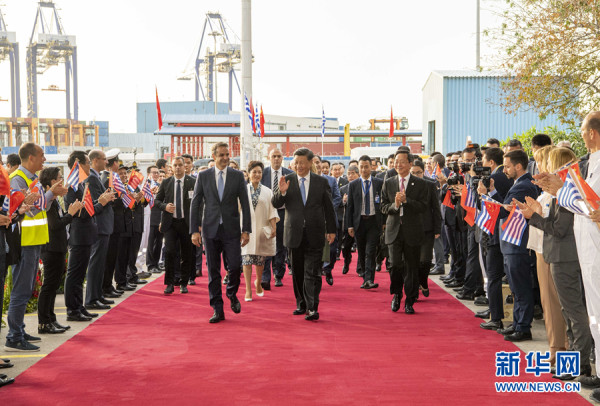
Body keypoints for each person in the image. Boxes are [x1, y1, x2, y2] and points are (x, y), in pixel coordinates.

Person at [521, 147, 592, 374]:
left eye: (549, 164)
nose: (546, 170)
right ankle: (572, 361)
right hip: (562, 255)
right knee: (568, 311)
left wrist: (535, 217)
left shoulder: (568, 190)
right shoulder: (564, 190)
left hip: (566, 256)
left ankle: (579, 365)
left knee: (574, 312)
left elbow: (559, 229)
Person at [5, 143, 67, 352]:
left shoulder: (32, 180)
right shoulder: (17, 179)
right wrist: (50, 195)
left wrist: (52, 195)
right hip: (24, 242)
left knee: (26, 289)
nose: (44, 160)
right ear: (30, 157)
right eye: (41, 156)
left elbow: (42, 205)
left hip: (34, 241)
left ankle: (19, 330)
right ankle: (14, 335)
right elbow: (27, 210)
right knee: (21, 291)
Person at [190, 142, 251, 323]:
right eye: (222, 155)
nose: (226, 158)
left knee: (234, 266)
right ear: (214, 156)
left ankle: (231, 293)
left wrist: (246, 229)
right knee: (213, 271)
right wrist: (194, 230)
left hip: (231, 230)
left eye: (227, 154)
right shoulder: (203, 176)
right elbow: (196, 203)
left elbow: (245, 204)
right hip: (210, 230)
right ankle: (217, 308)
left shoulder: (237, 176)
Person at [272, 147, 336, 321]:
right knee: (298, 271)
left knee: (312, 271)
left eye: (302, 162)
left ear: (310, 163)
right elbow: (276, 203)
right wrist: (282, 191)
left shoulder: (321, 182)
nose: (299, 166)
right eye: (296, 162)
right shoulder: (288, 180)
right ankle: (301, 303)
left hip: (315, 233)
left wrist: (331, 230)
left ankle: (313, 307)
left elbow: (329, 209)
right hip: (294, 233)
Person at [496, 149, 539, 342]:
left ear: (518, 166)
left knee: (521, 287)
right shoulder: (518, 183)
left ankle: (523, 326)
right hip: (512, 243)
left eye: (507, 166)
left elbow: (505, 211)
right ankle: (517, 322)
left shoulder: (523, 185)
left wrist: (491, 197)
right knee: (515, 286)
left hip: (518, 243)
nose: (504, 170)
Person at [380, 149, 428, 314]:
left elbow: (424, 206)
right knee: (394, 265)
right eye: (396, 161)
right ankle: (397, 293)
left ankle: (410, 299)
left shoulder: (421, 183)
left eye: (402, 161)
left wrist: (407, 201)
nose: (398, 164)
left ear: (410, 163)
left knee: (412, 267)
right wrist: (396, 205)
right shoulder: (389, 182)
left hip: (412, 230)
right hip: (394, 230)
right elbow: (383, 207)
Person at [38, 167, 84, 334]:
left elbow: (58, 220)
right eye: (59, 178)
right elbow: (55, 225)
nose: (63, 180)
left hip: (57, 247)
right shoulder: (47, 200)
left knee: (53, 285)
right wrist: (70, 214)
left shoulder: (54, 199)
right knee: (49, 286)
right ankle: (44, 322)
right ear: (52, 182)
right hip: (50, 248)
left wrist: (69, 212)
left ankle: (51, 319)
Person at [476, 147, 513, 329]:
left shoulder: (494, 179)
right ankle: (494, 312)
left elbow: (497, 206)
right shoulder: (509, 179)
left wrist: (484, 193)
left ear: (491, 162)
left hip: (495, 231)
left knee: (493, 276)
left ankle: (496, 316)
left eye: (483, 161)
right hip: (506, 233)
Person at [155, 157, 196, 295]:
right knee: (170, 252)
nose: (178, 168)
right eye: (175, 165)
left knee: (187, 253)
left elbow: (199, 203)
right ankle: (170, 283)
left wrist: (198, 224)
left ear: (185, 167)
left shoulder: (193, 182)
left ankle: (184, 282)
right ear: (171, 168)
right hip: (171, 223)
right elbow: (157, 200)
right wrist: (165, 206)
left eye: (180, 165)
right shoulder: (166, 182)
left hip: (186, 223)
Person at [242, 161, 279, 301]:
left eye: (259, 172)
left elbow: (272, 210)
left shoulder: (268, 191)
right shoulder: (243, 190)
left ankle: (258, 282)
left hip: (261, 230)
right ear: (249, 173)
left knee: (259, 260)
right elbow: (237, 210)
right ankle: (248, 289)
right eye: (254, 172)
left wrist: (274, 227)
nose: (257, 174)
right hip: (245, 229)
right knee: (246, 259)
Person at [85, 150, 117, 310]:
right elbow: (97, 201)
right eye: (104, 159)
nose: (106, 162)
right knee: (96, 263)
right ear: (96, 160)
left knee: (100, 263)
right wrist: (108, 198)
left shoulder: (95, 176)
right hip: (99, 225)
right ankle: (91, 298)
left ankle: (97, 295)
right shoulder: (91, 177)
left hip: (104, 225)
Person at [346, 155, 383, 289]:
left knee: (370, 251)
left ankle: (369, 279)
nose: (364, 169)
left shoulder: (379, 183)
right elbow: (350, 207)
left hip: (374, 221)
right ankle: (364, 274)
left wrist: (383, 222)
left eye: (366, 166)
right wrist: (349, 225)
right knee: (361, 251)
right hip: (359, 222)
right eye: (361, 167)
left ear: (371, 167)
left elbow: (382, 204)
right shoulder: (353, 185)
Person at [261, 148, 292, 289]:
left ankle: (278, 274)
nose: (276, 159)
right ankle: (265, 277)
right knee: (266, 245)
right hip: (266, 215)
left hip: (283, 213)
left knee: (280, 245)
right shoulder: (262, 174)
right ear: (269, 157)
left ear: (283, 158)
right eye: (274, 156)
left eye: (279, 156)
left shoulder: (290, 175)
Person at [409, 160, 441, 298]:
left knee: (425, 260)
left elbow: (436, 208)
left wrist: (437, 229)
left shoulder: (430, 184)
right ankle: (415, 288)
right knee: (413, 260)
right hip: (410, 228)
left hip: (427, 228)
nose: (416, 175)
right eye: (413, 173)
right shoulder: (406, 185)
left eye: (419, 173)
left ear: (424, 172)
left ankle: (423, 281)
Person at [312, 155, 341, 286]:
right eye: (313, 162)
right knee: (315, 248)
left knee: (332, 249)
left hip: (328, 219)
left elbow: (337, 198)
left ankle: (328, 270)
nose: (316, 165)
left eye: (318, 162)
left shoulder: (331, 180)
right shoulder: (306, 181)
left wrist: (326, 209)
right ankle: (316, 273)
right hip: (314, 221)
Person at [339, 165, 359, 274]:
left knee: (361, 247)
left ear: (358, 174)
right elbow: (338, 205)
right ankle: (347, 261)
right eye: (349, 174)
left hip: (359, 221)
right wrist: (343, 201)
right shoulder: (343, 189)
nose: (350, 176)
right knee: (345, 246)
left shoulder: (361, 186)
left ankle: (360, 268)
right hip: (347, 222)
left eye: (353, 173)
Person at [145, 165, 163, 273]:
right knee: (150, 243)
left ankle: (156, 263)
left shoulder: (161, 185)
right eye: (154, 172)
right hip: (150, 218)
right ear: (149, 174)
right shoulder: (146, 186)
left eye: (157, 173)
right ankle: (150, 265)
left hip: (160, 217)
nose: (156, 174)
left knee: (159, 242)